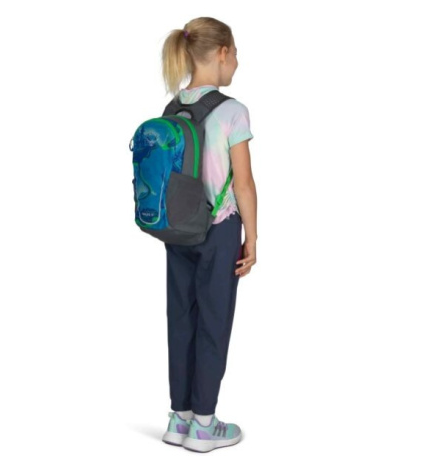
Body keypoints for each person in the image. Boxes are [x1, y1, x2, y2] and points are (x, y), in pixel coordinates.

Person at [160, 17, 258, 453]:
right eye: (234, 53)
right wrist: (252, 237)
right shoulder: (232, 111)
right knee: (214, 323)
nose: (236, 61)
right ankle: (204, 424)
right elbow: (244, 183)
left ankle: (178, 416)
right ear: (221, 53)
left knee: (181, 319)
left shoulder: (172, 108)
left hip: (177, 230)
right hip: (218, 230)